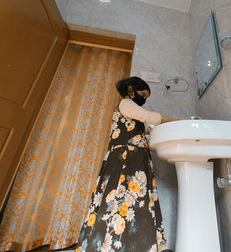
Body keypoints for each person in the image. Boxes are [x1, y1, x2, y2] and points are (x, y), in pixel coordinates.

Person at [75, 76, 185, 252]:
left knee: (131, 203)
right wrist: (177, 121)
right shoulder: (126, 104)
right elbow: (151, 117)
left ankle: (125, 244)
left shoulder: (131, 111)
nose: (144, 100)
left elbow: (147, 127)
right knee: (121, 200)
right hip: (126, 159)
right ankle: (110, 245)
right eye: (142, 95)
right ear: (131, 90)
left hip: (133, 159)